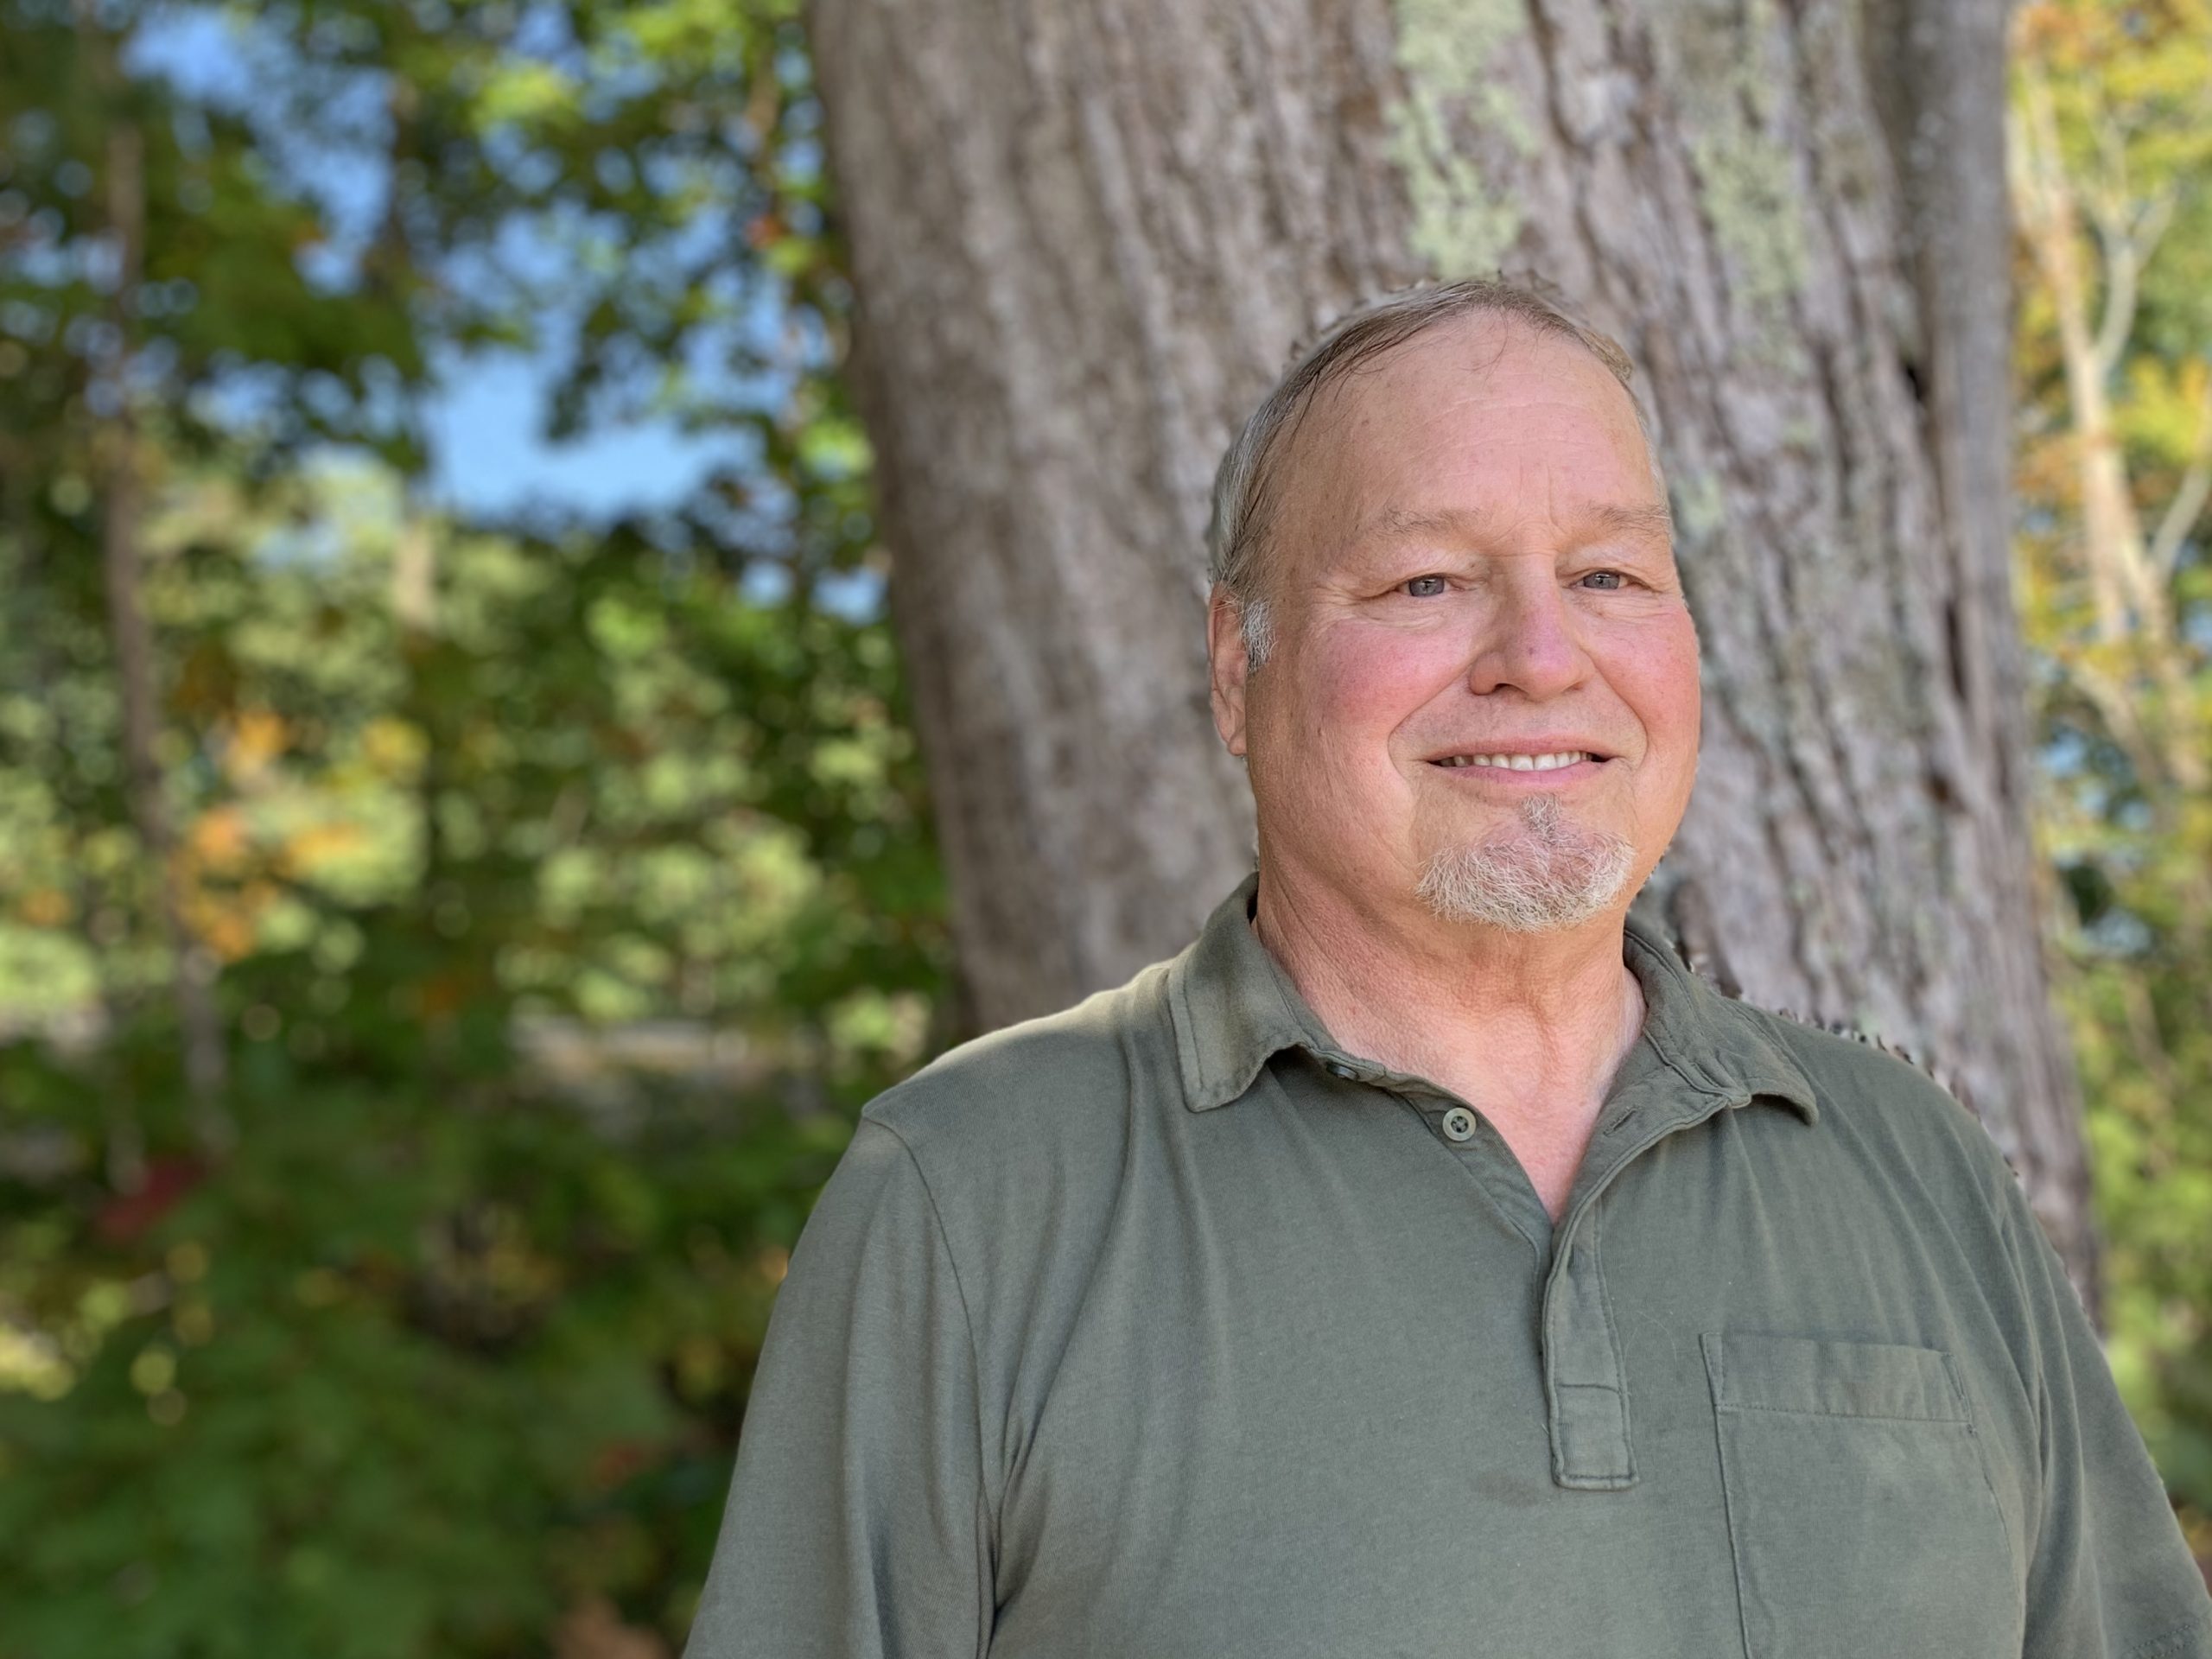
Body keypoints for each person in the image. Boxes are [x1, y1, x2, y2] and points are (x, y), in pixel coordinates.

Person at [683, 277, 2212, 1657]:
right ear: (1237, 667)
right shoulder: (975, 1200)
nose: (1541, 657)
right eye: (1427, 583)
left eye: (1610, 575)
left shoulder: (1917, 1171)